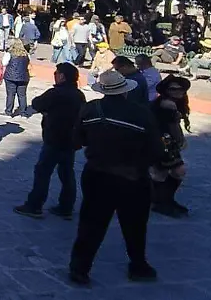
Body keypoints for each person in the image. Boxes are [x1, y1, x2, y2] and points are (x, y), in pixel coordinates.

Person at [68, 69, 163, 286]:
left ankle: (79, 268)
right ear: (125, 91)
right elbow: (156, 149)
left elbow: (77, 141)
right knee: (135, 225)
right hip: (132, 177)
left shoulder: (91, 109)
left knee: (91, 224)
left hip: (97, 174)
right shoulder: (141, 113)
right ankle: (138, 265)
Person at [14, 62, 86, 219]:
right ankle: (66, 206)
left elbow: (37, 103)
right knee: (67, 173)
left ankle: (34, 205)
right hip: (71, 140)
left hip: (54, 139)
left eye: (57, 73)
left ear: (62, 76)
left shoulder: (56, 93)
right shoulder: (79, 95)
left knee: (43, 172)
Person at [150, 75, 191, 218]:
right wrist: (180, 140)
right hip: (163, 142)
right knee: (167, 171)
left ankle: (163, 200)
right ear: (167, 90)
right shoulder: (168, 104)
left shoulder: (171, 103)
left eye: (180, 89)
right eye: (173, 89)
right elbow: (173, 126)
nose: (177, 91)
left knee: (171, 171)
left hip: (162, 141)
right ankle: (160, 201)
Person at [3, 39, 31, 118]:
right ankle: (23, 112)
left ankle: (9, 111)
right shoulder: (26, 54)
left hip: (11, 76)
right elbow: (28, 63)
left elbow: (4, 63)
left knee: (10, 94)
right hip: (23, 77)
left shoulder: (9, 54)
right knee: (22, 95)